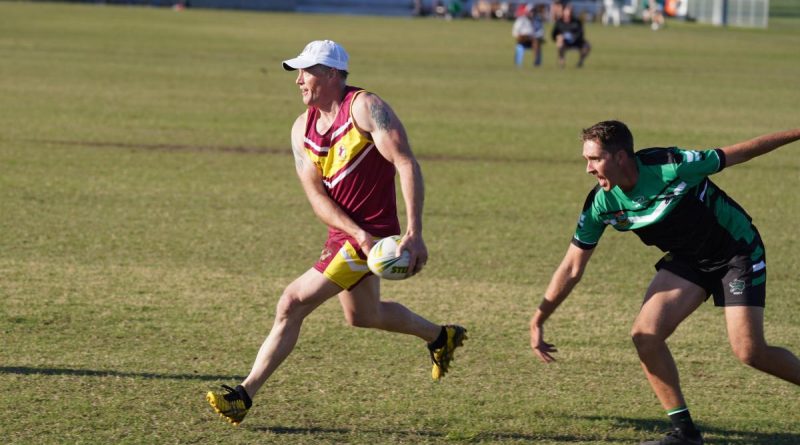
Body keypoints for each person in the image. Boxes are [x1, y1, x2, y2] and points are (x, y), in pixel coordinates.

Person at [206, 40, 467, 426]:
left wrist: (414, 232)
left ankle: (243, 395)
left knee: (292, 302)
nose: (298, 81)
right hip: (349, 235)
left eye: (306, 72)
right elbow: (315, 196)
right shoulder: (301, 129)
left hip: (375, 237)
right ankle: (441, 337)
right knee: (364, 315)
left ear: (331, 74)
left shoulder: (365, 107)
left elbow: (405, 162)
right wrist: (353, 231)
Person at [529, 120, 800, 445]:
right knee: (645, 335)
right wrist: (539, 318)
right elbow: (572, 267)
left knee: (750, 352)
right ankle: (684, 433)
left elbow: (739, 153)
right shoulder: (603, 203)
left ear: (620, 158)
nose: (588, 168)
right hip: (689, 259)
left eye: (594, 159)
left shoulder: (671, 166)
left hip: (735, 252)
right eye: (586, 160)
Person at [550, 3, 591, 68]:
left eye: (569, 13)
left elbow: (581, 33)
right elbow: (553, 35)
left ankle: (580, 62)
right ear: (563, 13)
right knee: (560, 42)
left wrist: (573, 37)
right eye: (566, 13)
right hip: (565, 42)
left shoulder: (576, 22)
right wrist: (558, 38)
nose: (567, 15)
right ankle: (561, 62)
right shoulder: (559, 23)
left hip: (576, 40)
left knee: (587, 46)